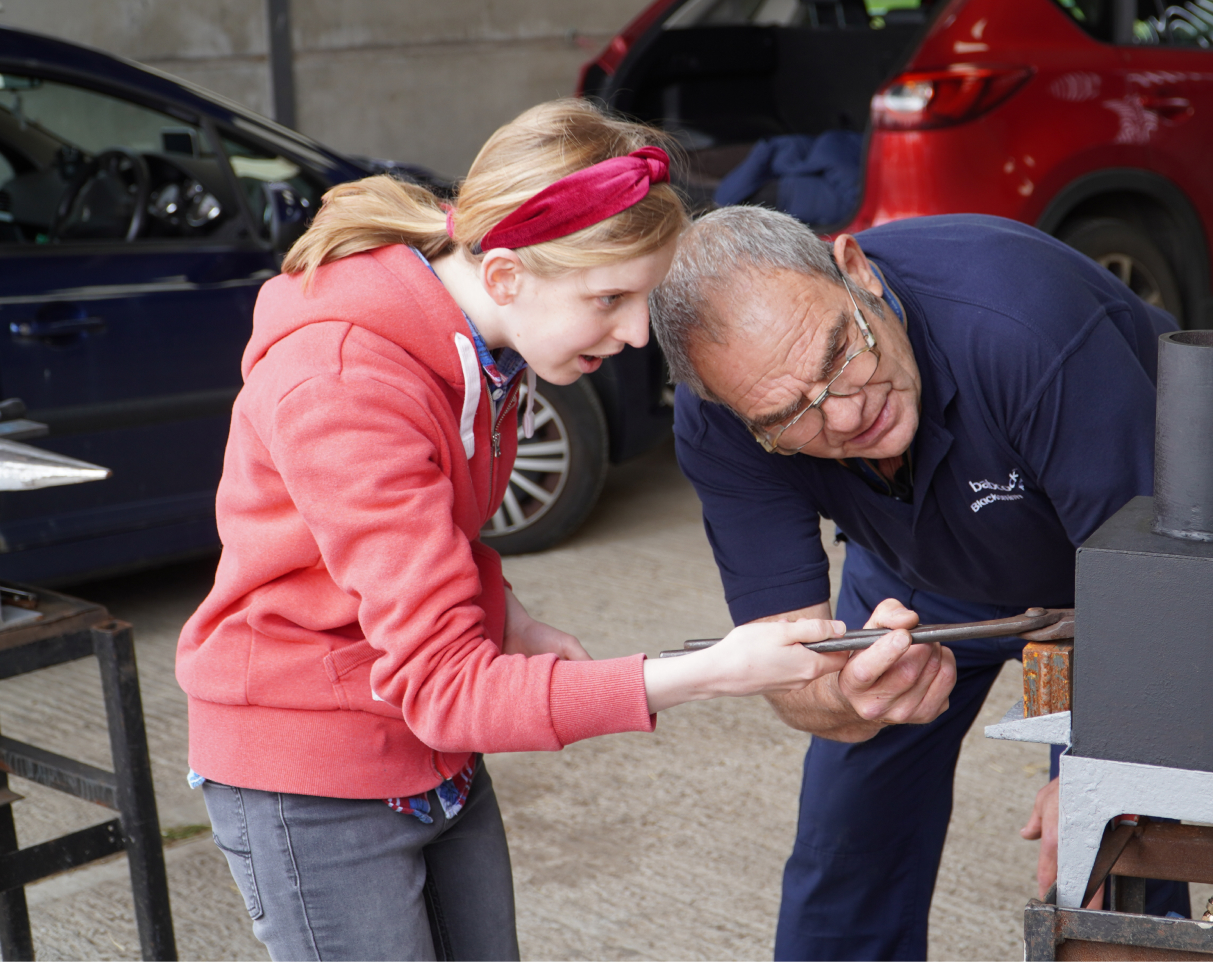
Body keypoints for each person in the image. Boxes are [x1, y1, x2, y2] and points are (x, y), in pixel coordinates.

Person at [175, 102, 849, 962]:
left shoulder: (490, 349)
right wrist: (711, 672)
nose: (638, 333)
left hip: (425, 747)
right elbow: (451, 688)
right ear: (502, 276)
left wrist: (510, 613)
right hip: (312, 774)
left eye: (644, 297)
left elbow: (421, 530)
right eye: (610, 298)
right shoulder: (345, 383)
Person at [649, 206, 1191, 961]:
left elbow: (1178, 598)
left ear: (857, 270)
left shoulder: (1025, 327)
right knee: (845, 846)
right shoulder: (724, 421)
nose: (846, 411)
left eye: (839, 354)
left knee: (1118, 859)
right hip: (916, 574)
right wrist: (845, 697)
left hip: (1129, 570)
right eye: (791, 414)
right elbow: (786, 658)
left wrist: (1110, 774)